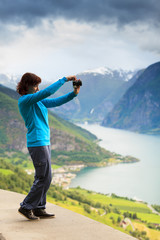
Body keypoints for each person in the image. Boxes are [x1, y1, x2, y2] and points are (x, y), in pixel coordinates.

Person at [16, 73, 80, 220]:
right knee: (42, 177)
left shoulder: (38, 101)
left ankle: (38, 207)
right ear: (27, 86)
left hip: (44, 142)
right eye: (35, 85)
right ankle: (26, 206)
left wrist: (74, 94)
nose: (38, 88)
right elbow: (48, 92)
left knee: (47, 177)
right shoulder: (25, 100)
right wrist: (64, 79)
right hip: (37, 142)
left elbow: (56, 101)